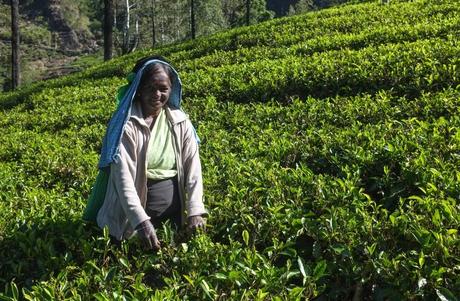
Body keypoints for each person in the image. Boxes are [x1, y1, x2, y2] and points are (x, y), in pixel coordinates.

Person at [95, 56, 207, 250]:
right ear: (138, 89)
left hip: (172, 219)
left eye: (163, 89)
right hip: (129, 223)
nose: (157, 94)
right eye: (150, 88)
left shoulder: (180, 122)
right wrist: (141, 222)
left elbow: (193, 169)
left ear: (171, 89)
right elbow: (123, 180)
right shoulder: (126, 125)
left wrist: (195, 211)